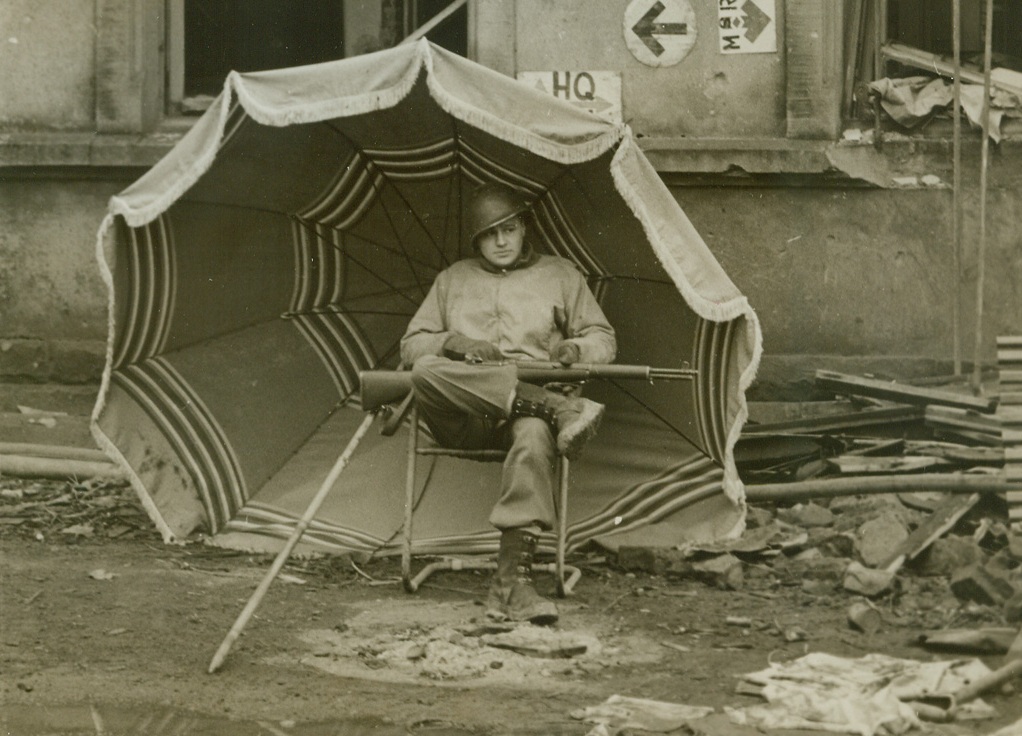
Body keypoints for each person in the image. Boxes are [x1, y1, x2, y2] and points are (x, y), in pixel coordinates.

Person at [400, 182, 617, 626]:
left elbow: (603, 337)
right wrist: (456, 344)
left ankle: (511, 585)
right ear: (475, 240)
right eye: (489, 233)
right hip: (463, 415)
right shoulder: (452, 280)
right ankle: (554, 408)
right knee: (425, 371)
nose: (500, 241)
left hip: (522, 422)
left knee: (536, 433)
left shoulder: (561, 275)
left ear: (524, 230)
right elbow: (412, 346)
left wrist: (576, 351)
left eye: (509, 229)